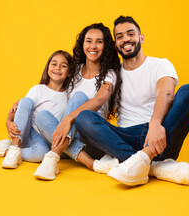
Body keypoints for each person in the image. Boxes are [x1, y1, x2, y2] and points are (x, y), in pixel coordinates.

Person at [75, 16, 189, 186]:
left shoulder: (160, 64)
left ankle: (142, 159)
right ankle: (155, 166)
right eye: (119, 36)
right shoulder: (113, 73)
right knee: (84, 118)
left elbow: (166, 93)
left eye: (130, 34)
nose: (125, 39)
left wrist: (155, 125)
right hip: (126, 137)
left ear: (141, 38)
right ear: (116, 44)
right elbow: (97, 98)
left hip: (161, 134)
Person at [33, 23, 122, 180]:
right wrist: (23, 104)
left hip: (94, 135)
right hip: (71, 136)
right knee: (42, 116)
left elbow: (99, 100)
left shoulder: (110, 74)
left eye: (99, 41)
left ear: (106, 46)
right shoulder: (75, 72)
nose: (93, 46)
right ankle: (88, 163)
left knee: (79, 97)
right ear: (82, 44)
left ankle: (53, 155)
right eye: (89, 40)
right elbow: (55, 93)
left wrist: (68, 118)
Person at [0, 50, 73, 165]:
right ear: (48, 67)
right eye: (54, 64)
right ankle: (14, 147)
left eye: (63, 66)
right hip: (29, 133)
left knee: (41, 154)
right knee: (25, 101)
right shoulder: (38, 89)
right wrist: (8, 121)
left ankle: (6, 150)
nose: (57, 68)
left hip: (48, 139)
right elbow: (20, 109)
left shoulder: (69, 95)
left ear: (69, 72)